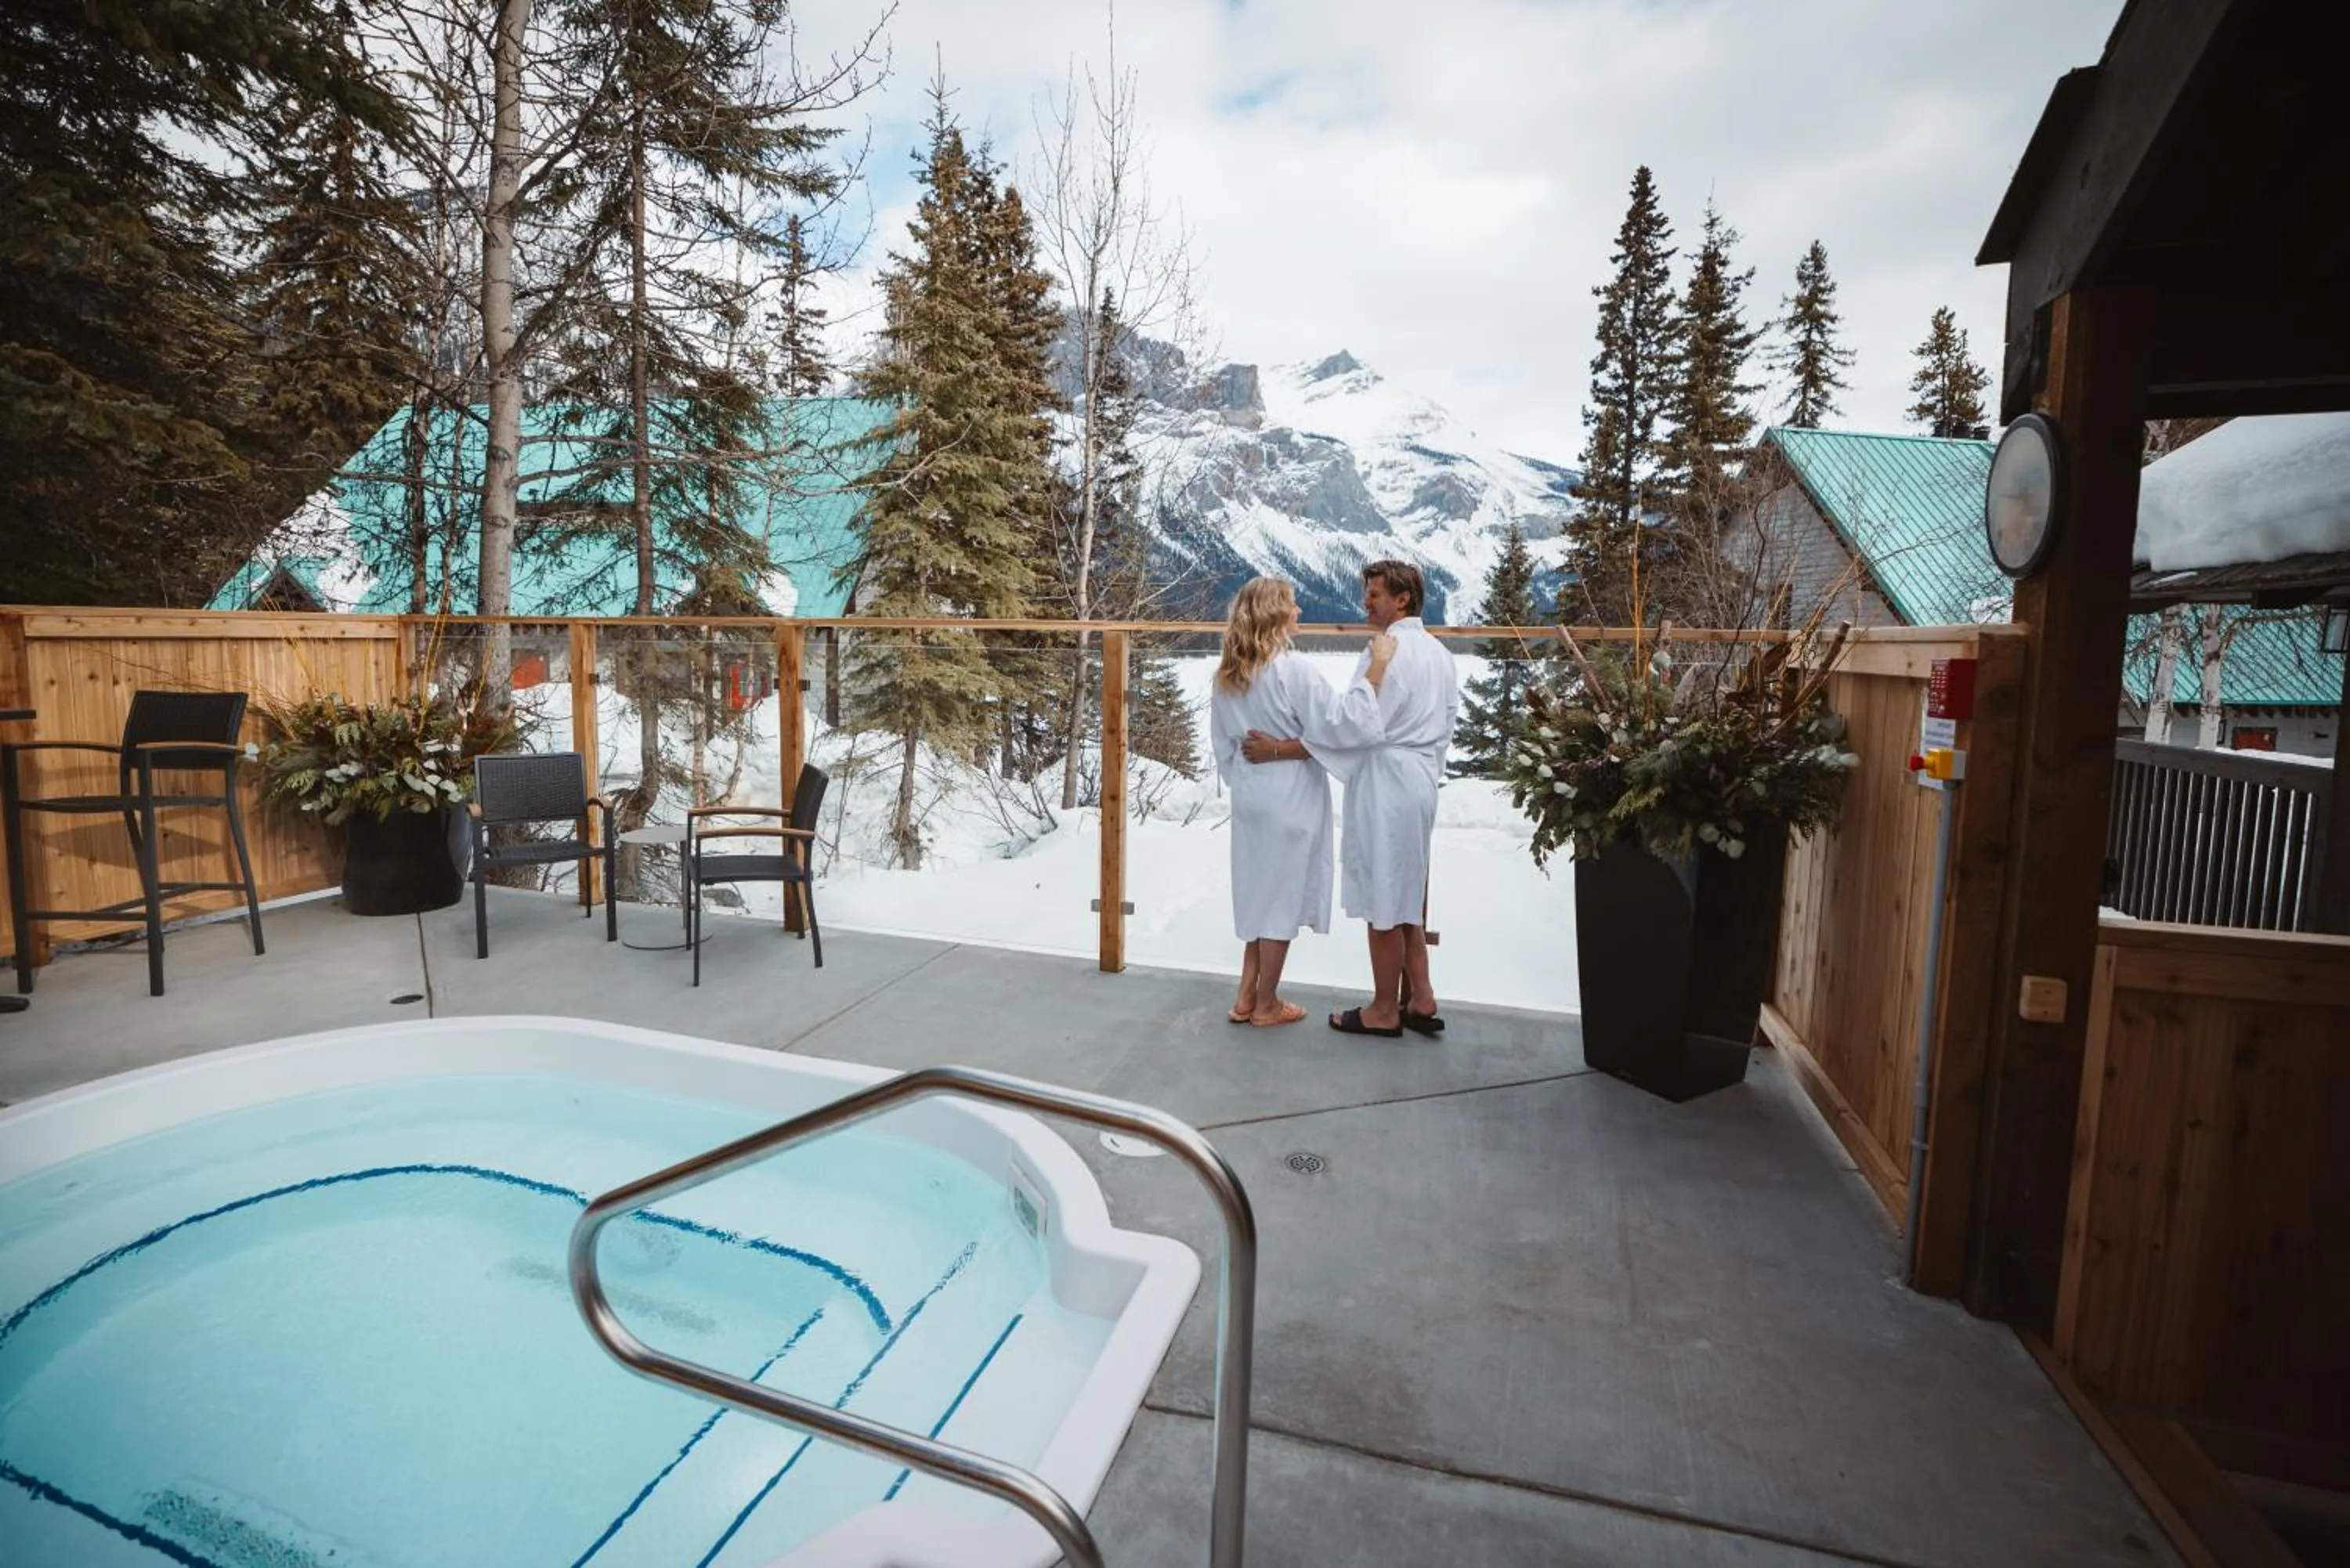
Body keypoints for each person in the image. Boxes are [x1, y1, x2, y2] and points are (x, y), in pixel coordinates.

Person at [1244, 559, 1458, 1039]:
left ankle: (1385, 1008)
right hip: (1421, 778)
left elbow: (1354, 725)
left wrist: (1282, 748)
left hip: (1386, 781)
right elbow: (1445, 723)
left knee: (1384, 894)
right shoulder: (1440, 654)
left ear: (1402, 599)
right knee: (1407, 893)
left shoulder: (1385, 651)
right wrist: (1425, 770)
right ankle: (1420, 998)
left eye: (1374, 595)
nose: (1364, 603)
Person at [1209, 578, 1390, 1026]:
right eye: (1291, 604)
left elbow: (1222, 745)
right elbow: (1343, 724)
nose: (1300, 611)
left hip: (1252, 795)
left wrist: (1253, 770)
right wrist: (1376, 670)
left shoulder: (1228, 674)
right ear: (1274, 614)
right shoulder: (1294, 670)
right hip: (1288, 797)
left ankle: (1246, 997)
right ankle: (1267, 1005)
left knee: (1257, 893)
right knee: (1282, 900)